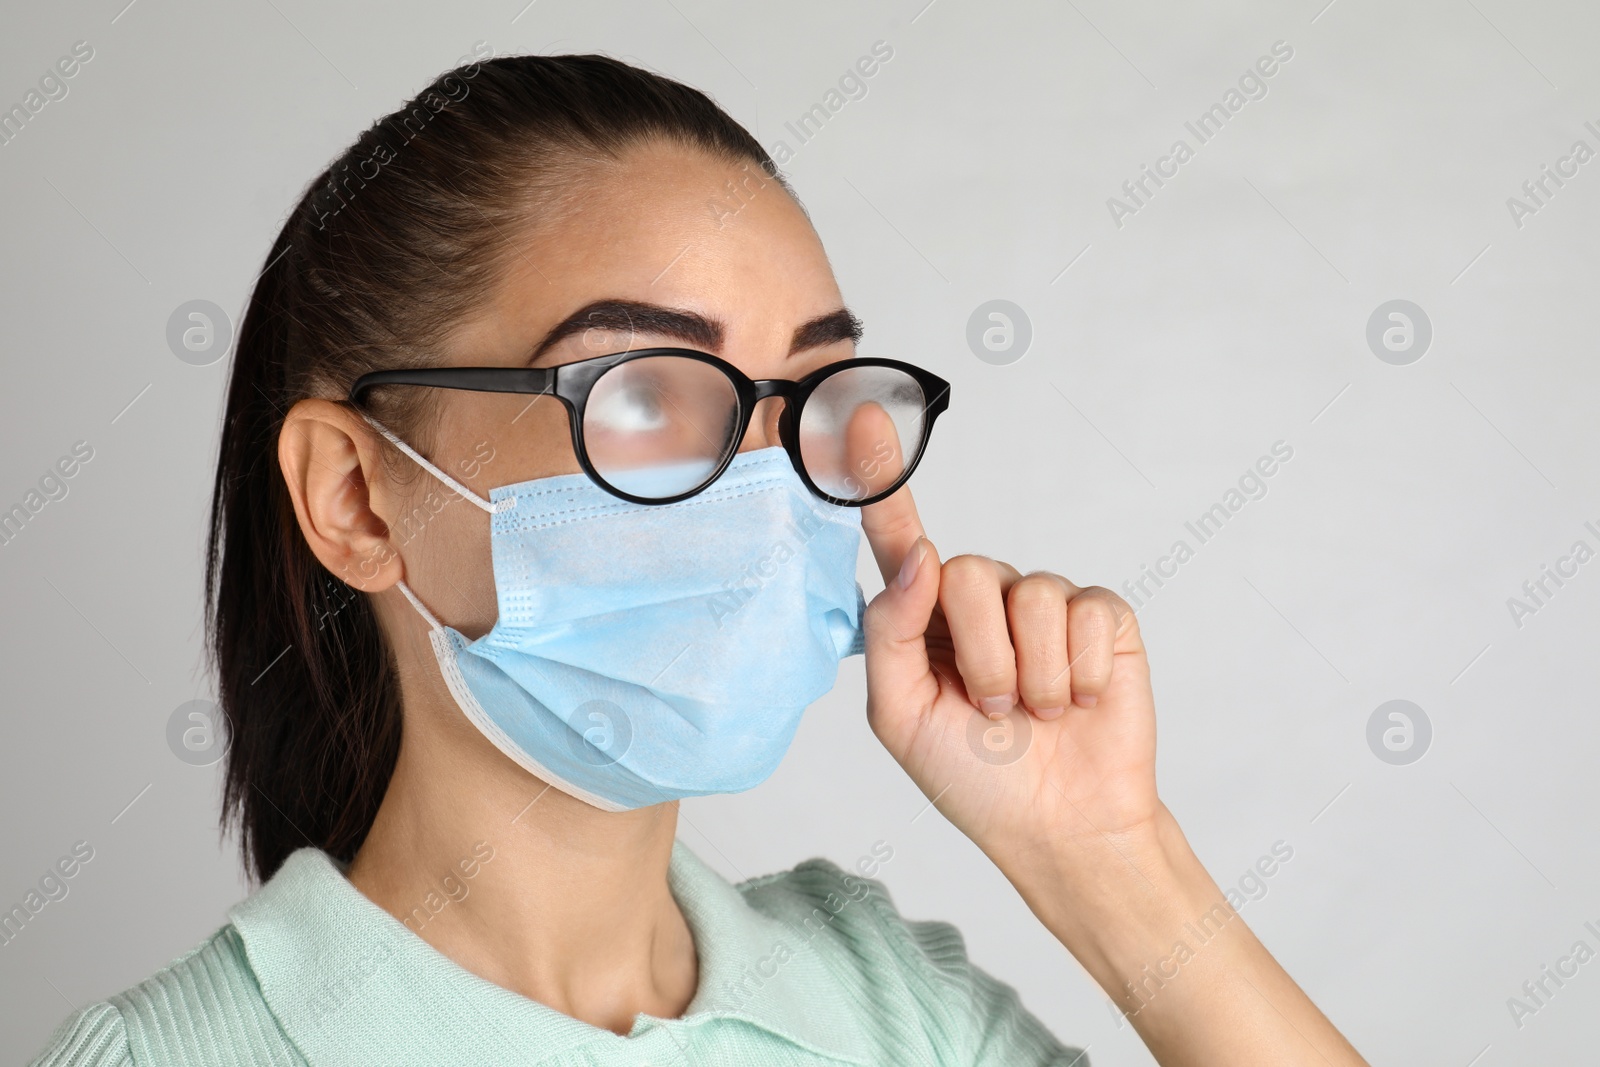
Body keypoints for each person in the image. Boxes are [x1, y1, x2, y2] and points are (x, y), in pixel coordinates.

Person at [30, 52, 1368, 1067]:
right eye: (648, 391)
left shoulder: (889, 1008)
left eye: (815, 398)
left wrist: (1108, 859)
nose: (768, 481)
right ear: (357, 499)